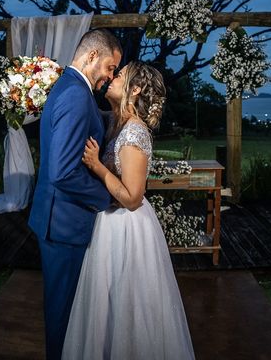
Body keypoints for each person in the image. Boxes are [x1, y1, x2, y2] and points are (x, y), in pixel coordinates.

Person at [62, 61, 195, 359]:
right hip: (108, 223)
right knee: (106, 306)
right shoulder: (116, 121)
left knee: (129, 305)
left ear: (134, 89)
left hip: (127, 226)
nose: (111, 78)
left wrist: (97, 166)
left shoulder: (135, 133)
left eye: (118, 75)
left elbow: (133, 197)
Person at [28, 28, 122, 360]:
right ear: (92, 55)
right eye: (111, 68)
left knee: (67, 312)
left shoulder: (70, 88)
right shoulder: (75, 95)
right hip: (64, 223)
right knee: (64, 315)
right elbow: (63, 170)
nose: (110, 78)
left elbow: (94, 119)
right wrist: (108, 197)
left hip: (59, 219)